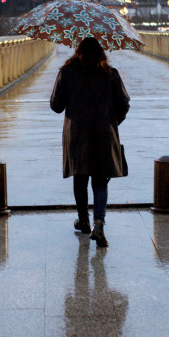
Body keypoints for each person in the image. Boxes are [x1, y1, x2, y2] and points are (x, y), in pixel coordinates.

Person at [50, 37, 130, 247]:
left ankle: (83, 220)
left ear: (78, 52)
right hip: (104, 132)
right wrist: (112, 123)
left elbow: (56, 105)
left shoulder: (67, 72)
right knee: (100, 179)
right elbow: (124, 104)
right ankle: (99, 222)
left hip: (77, 133)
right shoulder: (110, 74)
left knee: (80, 176)